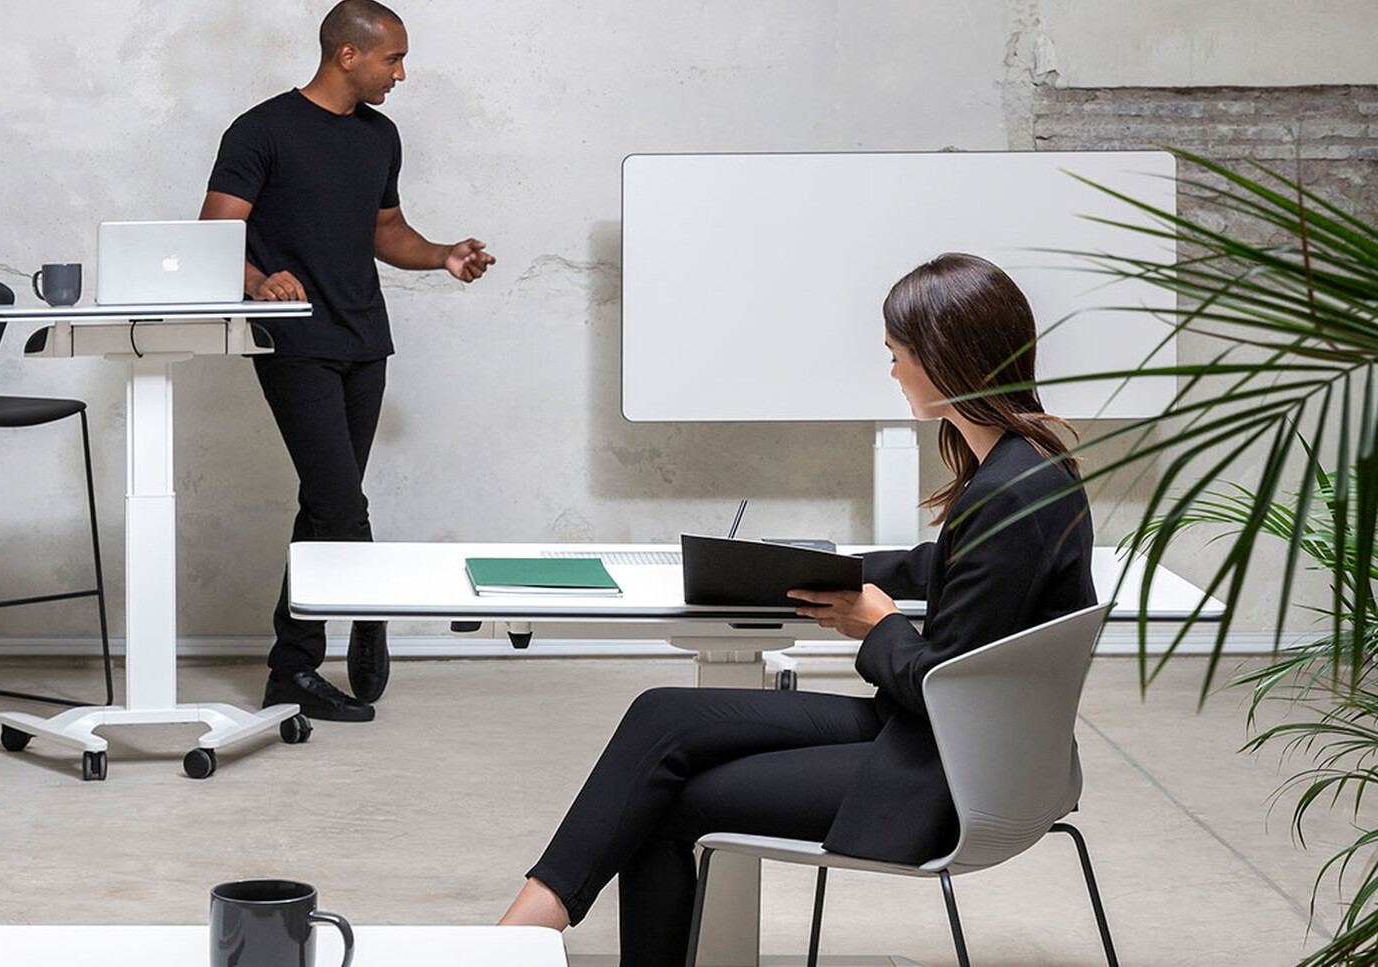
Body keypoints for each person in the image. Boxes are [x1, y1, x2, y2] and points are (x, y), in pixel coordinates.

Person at [497, 253, 1096, 965]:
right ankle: (532, 920)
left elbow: (942, 684)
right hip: (952, 743)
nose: (893, 372)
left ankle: (517, 936)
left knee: (668, 801)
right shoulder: (1026, 471)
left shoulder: (1008, 494)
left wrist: (879, 623)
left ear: (941, 359)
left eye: (897, 355)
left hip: (946, 774)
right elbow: (946, 572)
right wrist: (809, 571)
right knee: (662, 714)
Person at [200, 0, 495, 723]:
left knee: (322, 506)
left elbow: (386, 230)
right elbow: (213, 231)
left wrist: (442, 255)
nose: (402, 72)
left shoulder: (379, 136)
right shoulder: (260, 130)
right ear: (348, 56)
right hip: (295, 341)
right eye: (393, 58)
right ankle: (371, 607)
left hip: (366, 341)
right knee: (341, 503)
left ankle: (290, 670)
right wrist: (256, 280)